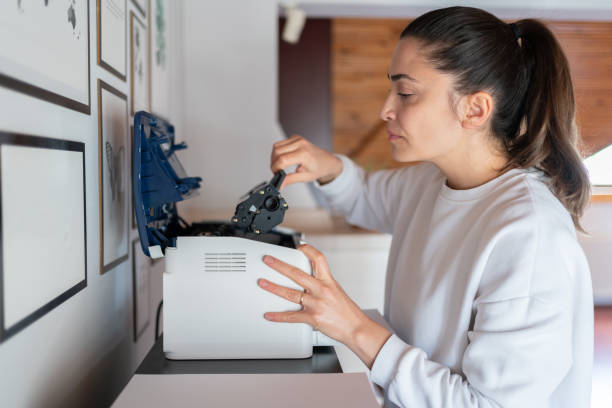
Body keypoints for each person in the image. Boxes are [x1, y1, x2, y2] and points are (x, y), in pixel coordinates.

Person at [257, 6, 593, 407]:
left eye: (406, 92)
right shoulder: (430, 181)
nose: (386, 109)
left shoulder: (528, 233)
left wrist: (352, 326)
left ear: (475, 109)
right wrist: (326, 167)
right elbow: (367, 196)